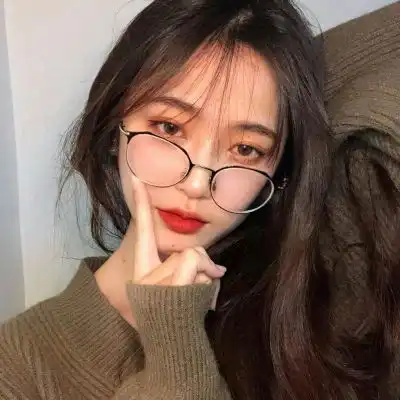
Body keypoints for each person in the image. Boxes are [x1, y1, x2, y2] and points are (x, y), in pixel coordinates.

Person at [0, 1, 399, 399]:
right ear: (113, 129)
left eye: (246, 149)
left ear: (278, 174)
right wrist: (174, 344)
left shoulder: (305, 313)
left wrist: (299, 73)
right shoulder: (17, 364)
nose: (196, 184)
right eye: (169, 127)